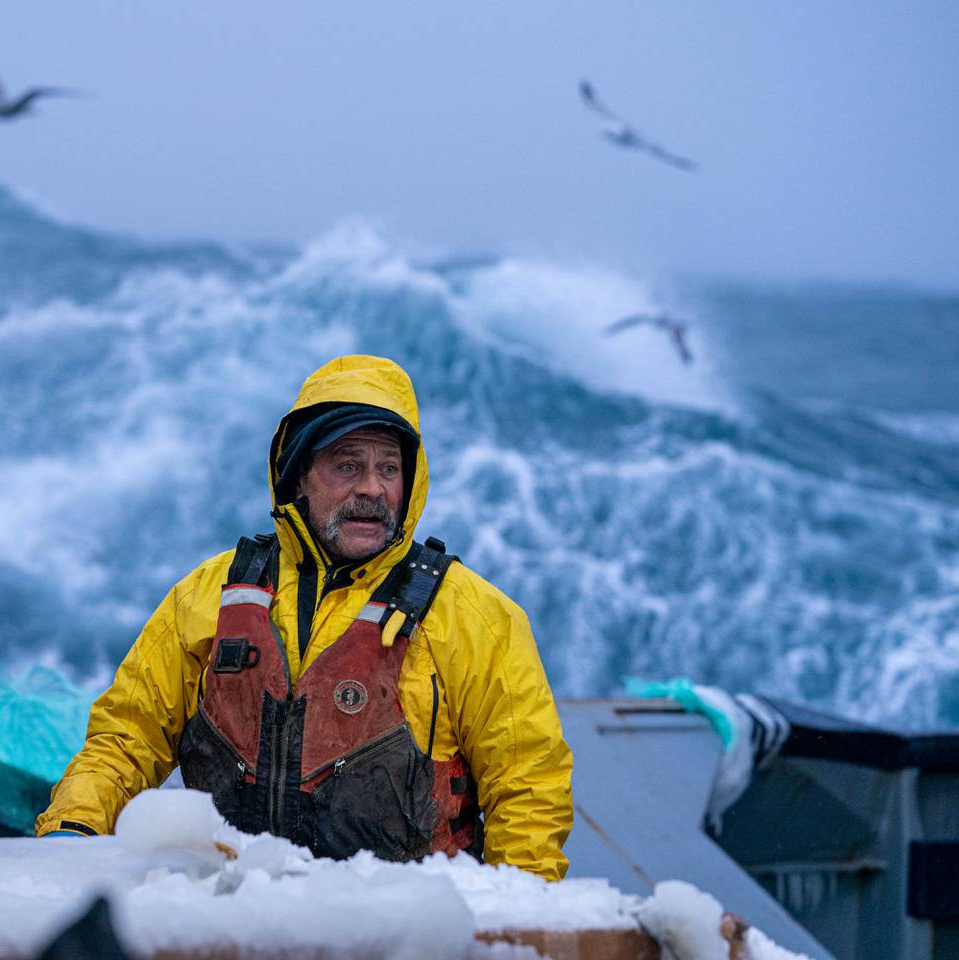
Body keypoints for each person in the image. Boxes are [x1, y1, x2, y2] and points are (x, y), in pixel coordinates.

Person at [37, 355, 573, 878]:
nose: (372, 488)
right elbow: (126, 738)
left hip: (403, 930)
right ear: (297, 479)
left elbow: (529, 786)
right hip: (229, 913)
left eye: (389, 468)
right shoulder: (210, 595)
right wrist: (74, 829)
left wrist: (518, 922)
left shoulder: (477, 616)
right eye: (347, 465)